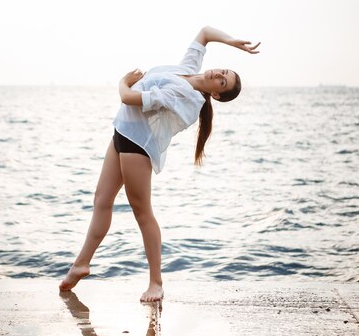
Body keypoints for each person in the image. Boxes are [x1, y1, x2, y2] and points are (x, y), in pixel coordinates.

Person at [59, 26, 260, 302]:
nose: (219, 75)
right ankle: (81, 264)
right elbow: (204, 33)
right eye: (223, 71)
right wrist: (232, 42)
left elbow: (127, 98)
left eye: (222, 82)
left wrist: (122, 82)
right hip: (122, 132)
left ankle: (156, 282)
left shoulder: (188, 100)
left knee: (142, 212)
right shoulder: (188, 68)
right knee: (101, 200)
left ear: (216, 95)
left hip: (137, 145)